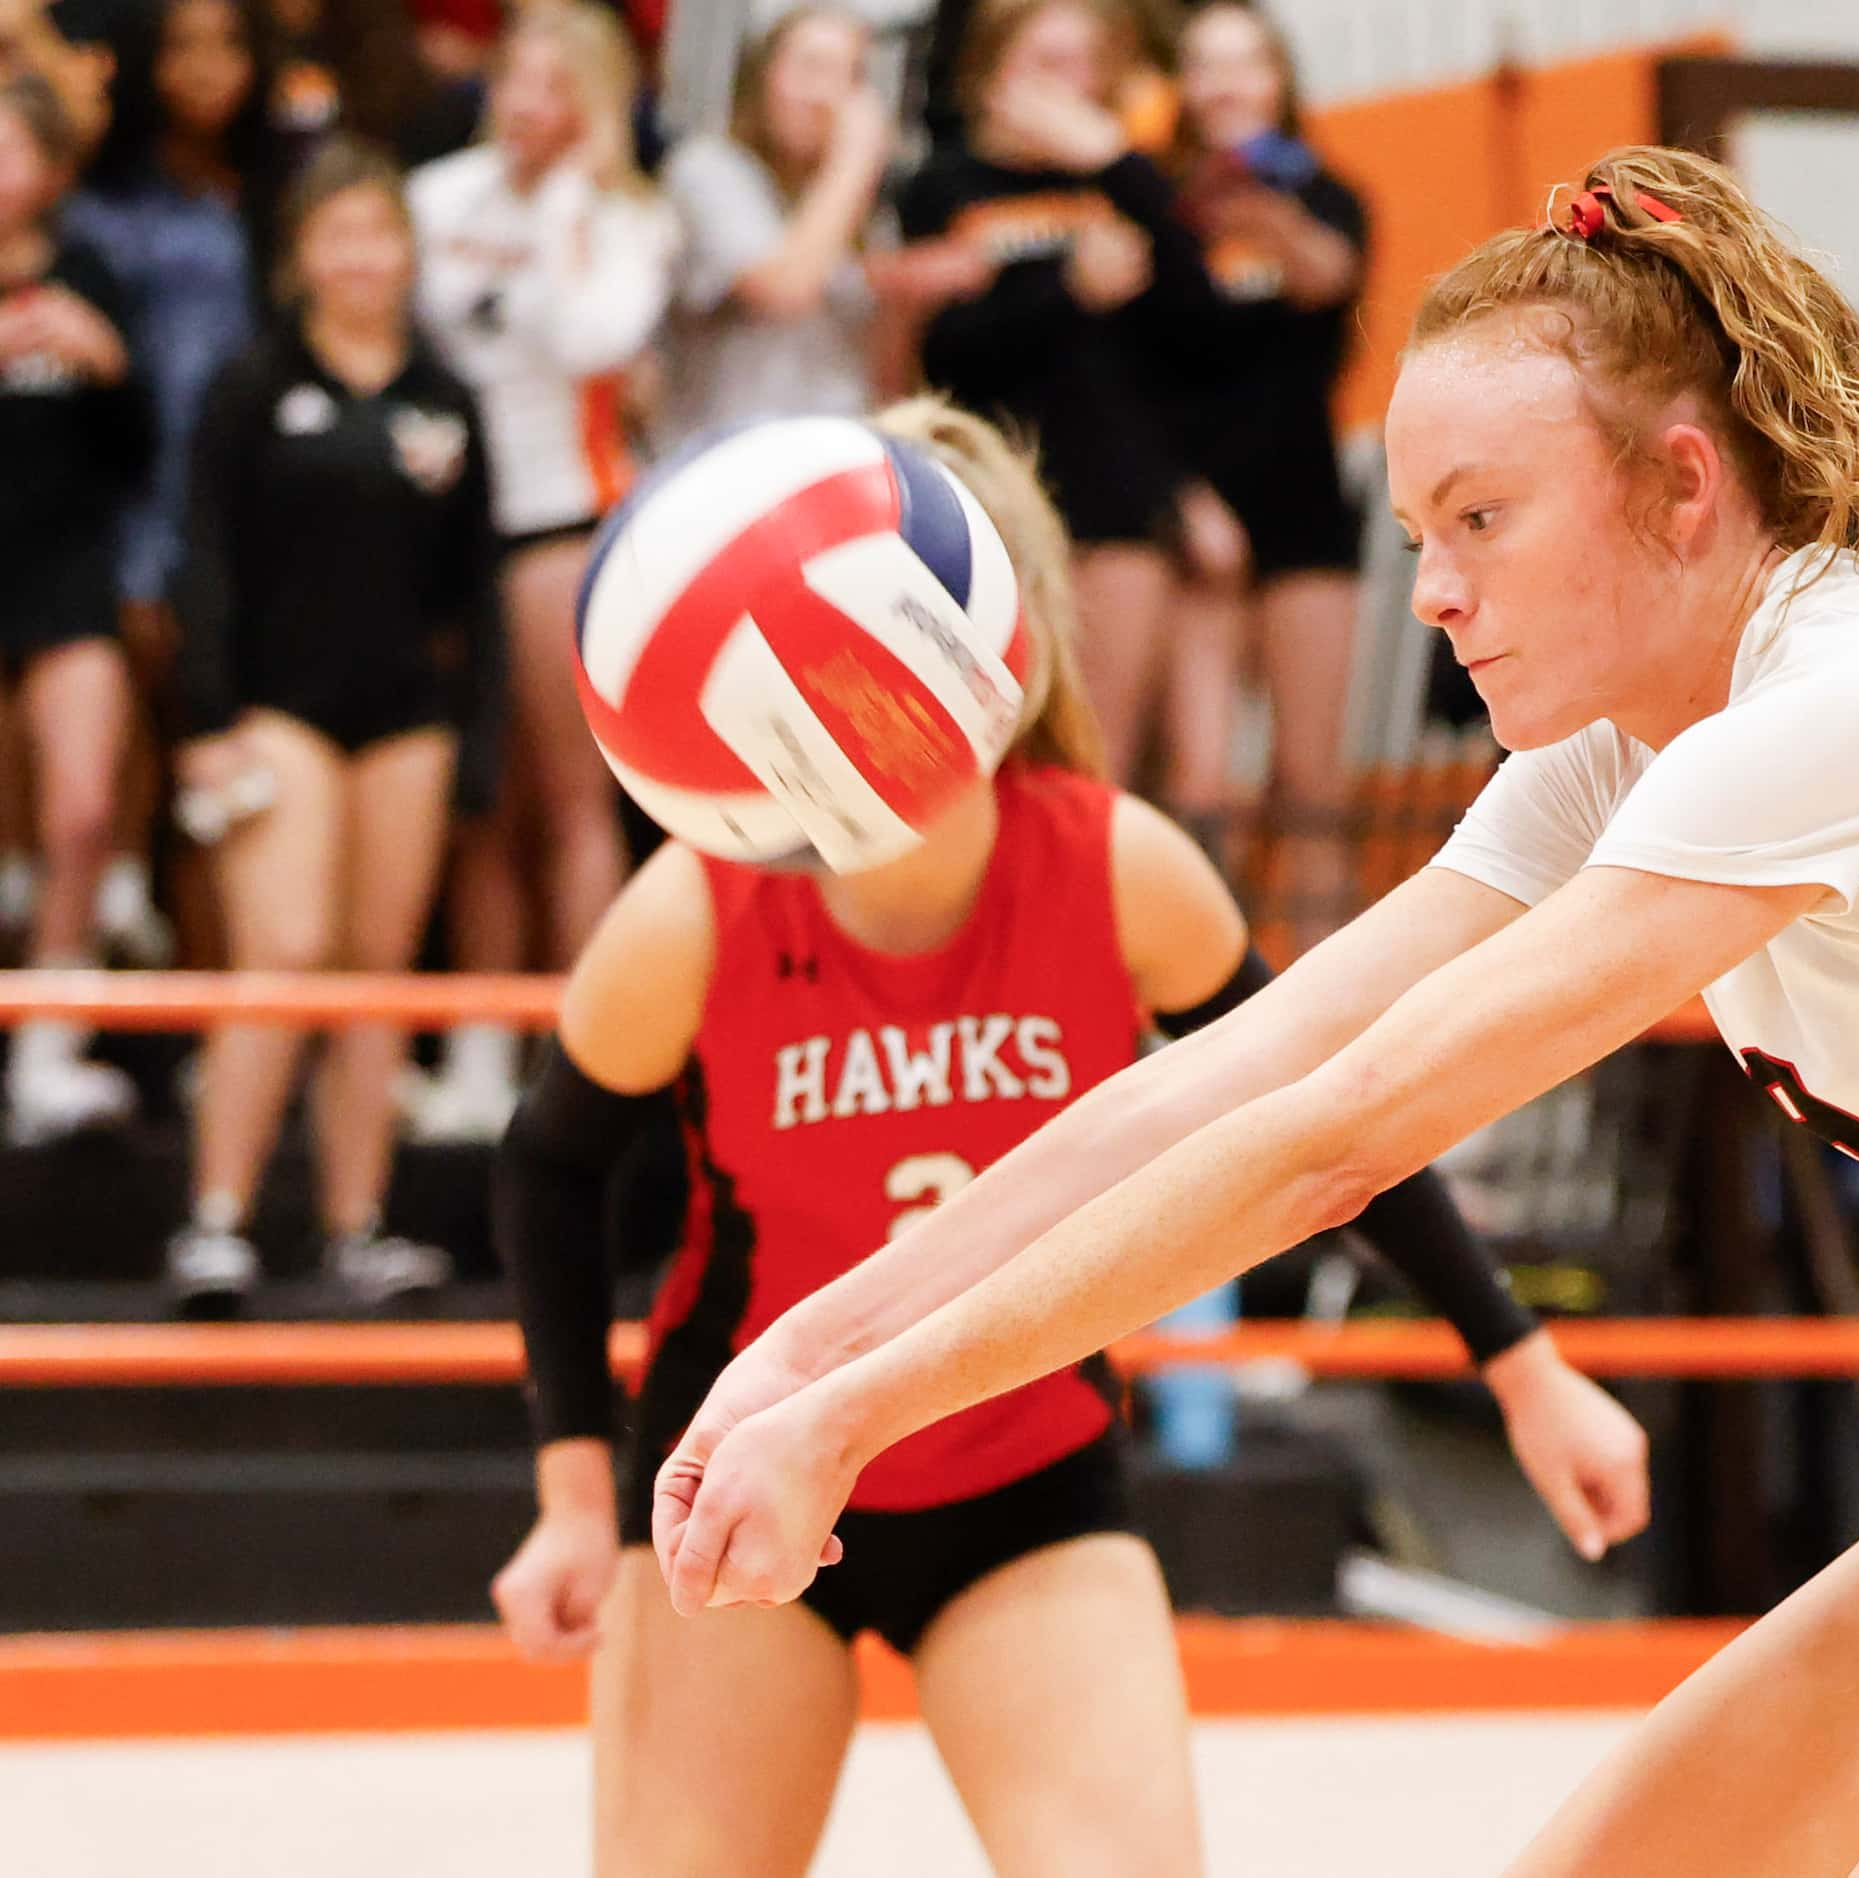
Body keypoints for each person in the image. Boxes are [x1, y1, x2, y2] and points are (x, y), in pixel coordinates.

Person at [636, 147, 1859, 1873]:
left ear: (1682, 488)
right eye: (1410, 534)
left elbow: (1332, 1142)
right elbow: (1209, 1080)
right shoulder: (1619, 744)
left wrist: (855, 1420)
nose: (1434, 589)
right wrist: (801, 1349)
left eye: (1481, 518)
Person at [488, 395, 1651, 1877]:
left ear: (990, 648)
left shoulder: (1113, 867)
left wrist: (1524, 1366)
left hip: (1020, 1481)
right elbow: (546, 1165)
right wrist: (575, 1497)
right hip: (737, 1473)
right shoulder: (699, 906)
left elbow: (1334, 1105)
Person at [162, 137, 496, 1313]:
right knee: (285, 957)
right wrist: (205, 718)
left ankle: (358, 1227)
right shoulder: (254, 385)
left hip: (406, 717)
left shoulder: (445, 397)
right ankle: (217, 1222)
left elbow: (474, 592)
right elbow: (202, 559)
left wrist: (477, 738)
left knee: (376, 976)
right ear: (301, 254)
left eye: (382, 231)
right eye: (339, 233)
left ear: (411, 251)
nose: (364, 256)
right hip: (279, 711)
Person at [408, 0, 674, 1141]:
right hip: (439, 528)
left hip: (562, 521)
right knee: (481, 808)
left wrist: (567, 201)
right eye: (517, 78)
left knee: (573, 806)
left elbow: (589, 341)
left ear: (596, 103)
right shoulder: (435, 197)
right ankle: (478, 1059)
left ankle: (594, 1059)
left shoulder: (625, 219)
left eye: (557, 87)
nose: (528, 104)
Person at [895, 0, 1218, 787]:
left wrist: (1115, 160)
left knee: (1095, 756)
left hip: (1117, 493)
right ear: (993, 71)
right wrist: (1067, 293)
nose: (1062, 82)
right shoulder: (944, 185)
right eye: (1043, 60)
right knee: (991, 748)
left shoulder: (1125, 182)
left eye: (1081, 63)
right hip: (990, 491)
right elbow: (941, 350)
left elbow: (1198, 313)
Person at [65, 0, 286, 971]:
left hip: (273, 501)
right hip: (138, 493)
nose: (205, 69)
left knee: (231, 763)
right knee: (141, 714)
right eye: (183, 46)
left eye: (228, 45)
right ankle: (111, 899)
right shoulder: (109, 203)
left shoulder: (279, 184)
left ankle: (218, 999)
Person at [1160, 0, 1367, 940]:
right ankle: (1200, 1004)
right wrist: (1187, 506)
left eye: (1246, 63)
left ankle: (1333, 1023)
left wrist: (1267, 216)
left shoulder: (1323, 194)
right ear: (1183, 85)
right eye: (1207, 65)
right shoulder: (1157, 208)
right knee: (1206, 788)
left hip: (1302, 508)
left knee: (1313, 785)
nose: (1227, 84)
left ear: (1278, 80)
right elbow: (1130, 378)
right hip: (1195, 519)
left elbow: (1332, 276)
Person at [0, 69, 149, 1143]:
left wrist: (109, 366)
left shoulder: (93, 271)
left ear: (52, 170)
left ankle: (49, 1054)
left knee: (85, 808)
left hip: (65, 571)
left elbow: (140, 453)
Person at [651, 4, 989, 454]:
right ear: (760, 75)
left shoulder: (860, 204)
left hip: (842, 450)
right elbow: (785, 288)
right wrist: (854, 158)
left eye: (848, 76)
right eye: (810, 67)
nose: (826, 94)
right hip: (729, 457)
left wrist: (908, 296)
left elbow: (884, 374)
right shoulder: (709, 169)